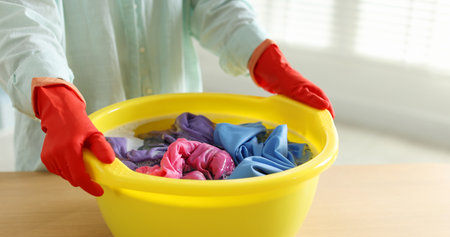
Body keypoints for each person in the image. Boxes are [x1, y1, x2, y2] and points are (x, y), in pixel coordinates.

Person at [0, 0, 334, 196]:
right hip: (70, 152)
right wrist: (53, 96)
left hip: (181, 134)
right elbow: (22, 18)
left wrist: (265, 58)